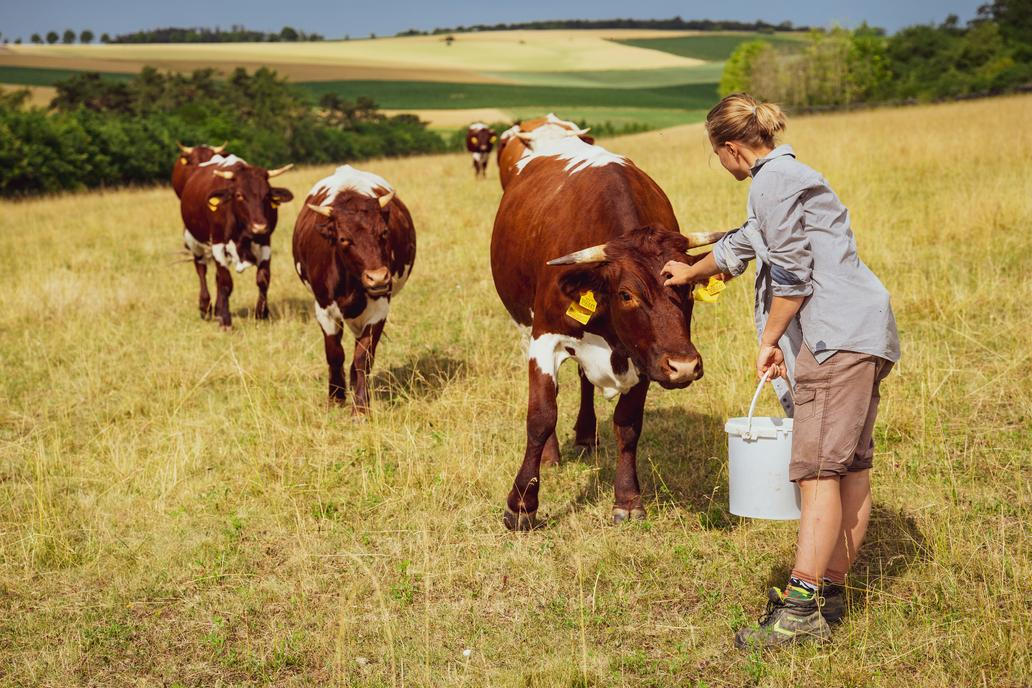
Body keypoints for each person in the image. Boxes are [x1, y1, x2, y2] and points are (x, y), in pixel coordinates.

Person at [662, 93, 900, 649]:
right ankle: (831, 596)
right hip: (865, 332)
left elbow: (793, 273)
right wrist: (690, 271)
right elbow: (747, 243)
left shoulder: (768, 182)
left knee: (817, 472)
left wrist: (768, 342)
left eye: (716, 154)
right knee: (851, 466)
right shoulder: (790, 174)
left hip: (830, 339)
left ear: (729, 149)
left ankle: (799, 611)